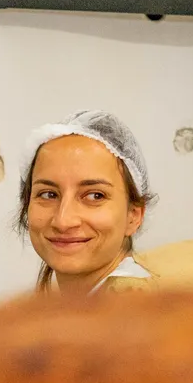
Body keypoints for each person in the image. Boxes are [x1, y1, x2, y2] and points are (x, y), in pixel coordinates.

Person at [18, 111, 158, 293]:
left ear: (133, 216)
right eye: (49, 195)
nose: (63, 221)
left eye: (95, 196)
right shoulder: (84, 310)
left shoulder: (131, 311)